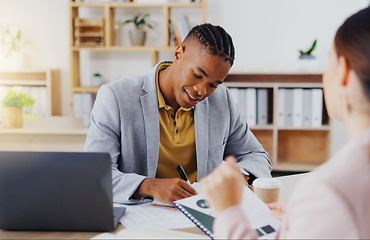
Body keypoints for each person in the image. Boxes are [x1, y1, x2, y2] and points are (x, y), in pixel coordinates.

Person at [201, 5, 370, 239]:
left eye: (329, 61)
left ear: (344, 73)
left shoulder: (330, 191)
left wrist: (229, 211)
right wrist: (305, 222)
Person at [84, 23, 272, 205]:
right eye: (197, 75)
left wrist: (240, 174)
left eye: (213, 84)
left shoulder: (222, 100)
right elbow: (95, 174)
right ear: (178, 54)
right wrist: (149, 186)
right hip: (142, 216)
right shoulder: (116, 97)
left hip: (201, 213)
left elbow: (256, 155)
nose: (201, 90)